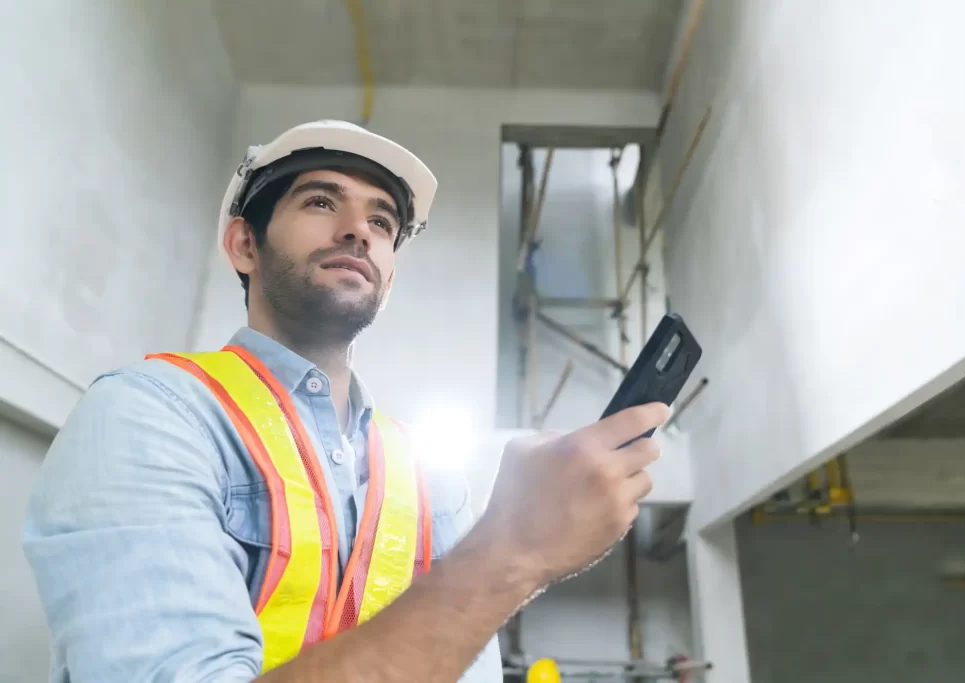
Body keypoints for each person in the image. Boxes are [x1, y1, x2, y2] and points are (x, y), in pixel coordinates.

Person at [22, 120, 669, 683]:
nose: (359, 230)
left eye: (382, 221)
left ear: (388, 278)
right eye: (321, 201)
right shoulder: (151, 415)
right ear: (244, 243)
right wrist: (514, 549)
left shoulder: (432, 479)